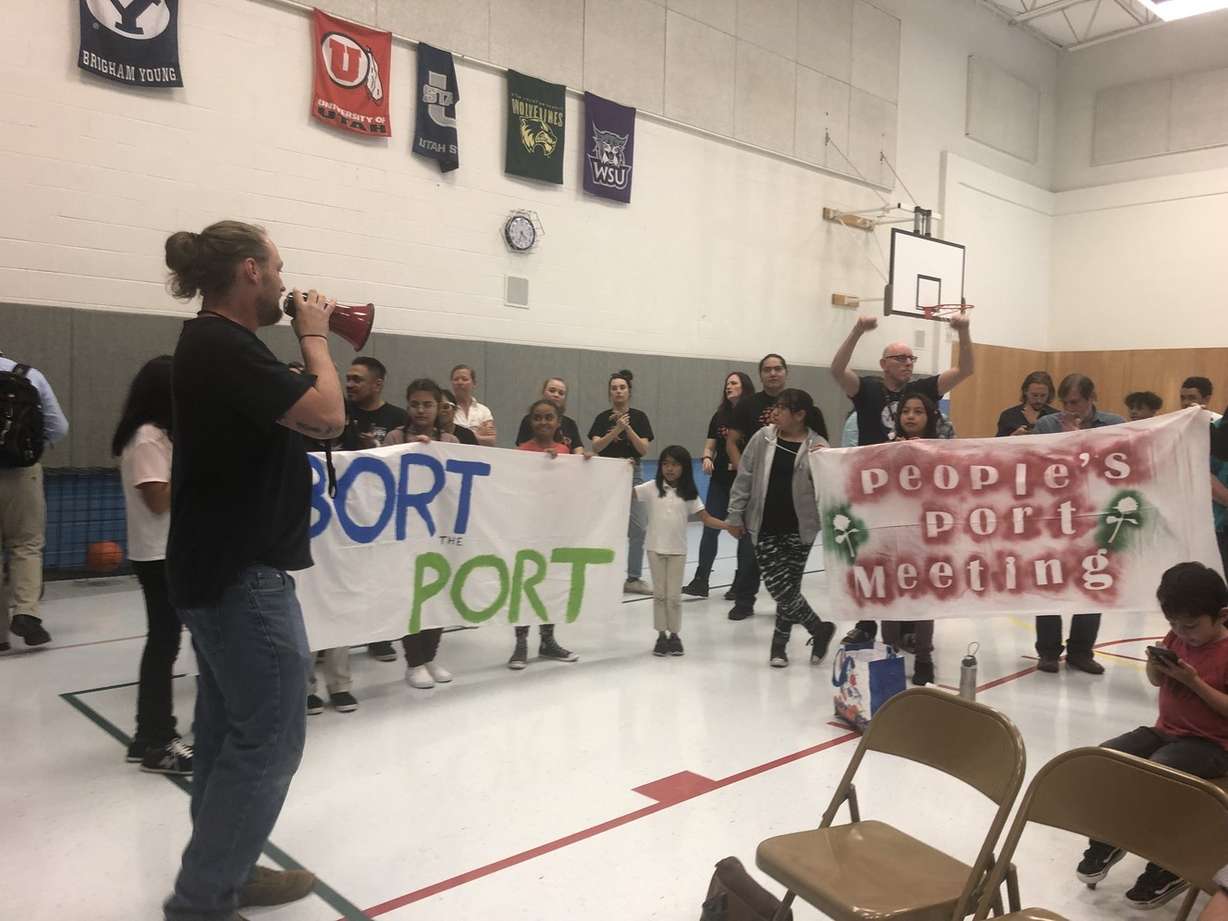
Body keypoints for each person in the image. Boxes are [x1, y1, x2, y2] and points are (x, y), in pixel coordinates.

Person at [162, 220, 345, 919]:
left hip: (216, 568)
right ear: (249, 271)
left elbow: (305, 412)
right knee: (270, 738)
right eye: (277, 267)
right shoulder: (221, 344)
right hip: (242, 575)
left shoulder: (221, 347)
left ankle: (225, 873)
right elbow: (327, 414)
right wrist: (316, 335)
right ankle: (205, 897)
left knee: (226, 731)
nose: (284, 281)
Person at [1074, 562, 1228, 910]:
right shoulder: (1176, 637)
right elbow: (1158, 683)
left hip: (1213, 745)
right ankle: (1109, 839)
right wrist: (1155, 665)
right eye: (1173, 624)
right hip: (1166, 731)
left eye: (1190, 626)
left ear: (1221, 616)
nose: (1180, 632)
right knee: (1104, 758)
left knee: (1159, 772)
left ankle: (1169, 865)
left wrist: (1194, 682)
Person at [830, 313, 974, 644]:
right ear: (884, 364)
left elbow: (965, 370)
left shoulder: (923, 389)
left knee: (910, 559)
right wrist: (857, 331)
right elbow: (837, 371)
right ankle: (867, 623)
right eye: (901, 358)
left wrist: (963, 333)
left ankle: (909, 625)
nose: (908, 363)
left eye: (912, 358)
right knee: (872, 557)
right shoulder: (866, 389)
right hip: (874, 491)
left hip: (913, 494)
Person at [113, 355, 192, 775]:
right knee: (164, 645)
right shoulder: (147, 438)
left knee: (165, 642)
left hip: (164, 551)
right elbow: (158, 500)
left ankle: (147, 734)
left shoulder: (158, 435)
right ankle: (159, 739)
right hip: (159, 554)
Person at [726, 389, 836, 668]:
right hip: (764, 525)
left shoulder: (817, 445)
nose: (776, 412)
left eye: (782, 408)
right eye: (776, 407)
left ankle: (779, 646)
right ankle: (819, 628)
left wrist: (827, 460)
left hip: (800, 529)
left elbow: (829, 487)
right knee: (780, 588)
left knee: (790, 588)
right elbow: (745, 477)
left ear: (799, 415)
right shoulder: (763, 437)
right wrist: (734, 515)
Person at [1031, 373, 1125, 675]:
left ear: (1091, 398)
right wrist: (1068, 440)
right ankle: (1047, 651)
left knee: (1093, 583)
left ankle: (1081, 651)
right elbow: (1035, 465)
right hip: (1055, 516)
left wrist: (1083, 441)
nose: (1070, 409)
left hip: (1096, 516)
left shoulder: (1115, 424)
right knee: (1050, 581)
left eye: (1076, 402)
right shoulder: (1047, 425)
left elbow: (1120, 464)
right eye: (1066, 402)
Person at [385, 379, 457, 690]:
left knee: (436, 595)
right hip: (404, 531)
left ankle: (430, 656)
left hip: (438, 530)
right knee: (411, 597)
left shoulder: (451, 441)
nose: (421, 409)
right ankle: (413, 661)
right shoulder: (394, 437)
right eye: (415, 403)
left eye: (428, 404)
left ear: (439, 407)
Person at [0, 350, 68, 649]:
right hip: (22, 471)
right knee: (26, 544)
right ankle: (26, 611)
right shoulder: (28, 375)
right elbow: (59, 427)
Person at [635, 445, 730, 656]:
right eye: (666, 463)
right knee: (660, 595)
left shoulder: (689, 494)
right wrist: (625, 471)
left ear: (684, 468)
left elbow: (706, 518)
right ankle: (661, 635)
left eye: (675, 464)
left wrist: (727, 526)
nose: (670, 468)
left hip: (678, 551)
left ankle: (675, 635)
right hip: (654, 550)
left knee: (674, 597)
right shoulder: (651, 487)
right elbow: (626, 494)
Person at [513, 399, 585, 668]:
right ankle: (520, 642)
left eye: (549, 417)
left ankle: (548, 640)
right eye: (538, 418)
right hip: (528, 530)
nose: (543, 422)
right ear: (531, 422)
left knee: (551, 585)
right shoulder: (520, 452)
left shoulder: (566, 451)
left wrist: (582, 464)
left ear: (558, 422)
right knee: (524, 585)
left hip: (555, 531)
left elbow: (574, 487)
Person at [877, 394, 941, 686]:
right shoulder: (884, 448)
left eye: (918, 412)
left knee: (923, 599)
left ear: (929, 417)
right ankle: (889, 652)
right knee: (889, 596)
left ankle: (924, 657)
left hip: (925, 533)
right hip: (890, 531)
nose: (911, 416)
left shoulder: (940, 450)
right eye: (906, 411)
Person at [725, 354, 791, 620]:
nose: (773, 373)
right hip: (756, 490)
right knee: (750, 549)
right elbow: (731, 442)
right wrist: (746, 474)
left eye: (777, 369)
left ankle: (787, 604)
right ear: (761, 374)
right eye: (767, 370)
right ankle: (744, 601)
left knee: (787, 551)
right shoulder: (747, 405)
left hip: (788, 489)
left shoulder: (798, 402)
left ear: (785, 372)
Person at [683, 371, 755, 598]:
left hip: (745, 483)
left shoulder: (752, 414)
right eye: (727, 384)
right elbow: (710, 445)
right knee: (710, 526)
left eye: (733, 383)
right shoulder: (720, 416)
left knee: (744, 532)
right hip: (720, 481)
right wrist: (706, 457)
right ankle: (701, 580)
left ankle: (740, 584)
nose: (729, 386)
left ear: (745, 387)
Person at [589, 370, 655, 594]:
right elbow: (596, 447)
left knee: (638, 527)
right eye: (614, 388)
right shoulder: (601, 418)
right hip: (607, 473)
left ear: (629, 391)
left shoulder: (639, 417)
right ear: (610, 392)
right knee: (604, 524)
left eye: (622, 387)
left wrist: (627, 428)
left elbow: (643, 449)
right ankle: (601, 574)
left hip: (632, 472)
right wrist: (616, 429)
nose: (618, 391)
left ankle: (633, 578)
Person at [344, 356, 407, 448]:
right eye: (348, 379)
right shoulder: (340, 412)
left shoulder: (399, 418)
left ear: (377, 385)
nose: (349, 385)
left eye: (357, 380)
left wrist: (375, 447)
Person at [515, 377, 585, 452]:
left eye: (561, 393)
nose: (556, 395)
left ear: (558, 423)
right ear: (543, 392)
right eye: (552, 391)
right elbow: (522, 450)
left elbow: (578, 449)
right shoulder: (528, 419)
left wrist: (584, 459)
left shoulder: (570, 423)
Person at [996, 370, 1057, 436]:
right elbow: (998, 444)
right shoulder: (1008, 415)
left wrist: (1035, 424)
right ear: (1025, 391)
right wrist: (1012, 437)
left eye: (1043, 395)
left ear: (1049, 394)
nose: (1039, 400)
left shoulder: (1056, 417)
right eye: (1034, 395)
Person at [450, 364, 497, 446]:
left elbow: (491, 441)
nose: (460, 382)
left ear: (474, 383)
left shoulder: (484, 411)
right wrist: (477, 435)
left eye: (464, 379)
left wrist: (462, 435)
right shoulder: (447, 409)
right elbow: (446, 438)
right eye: (456, 379)